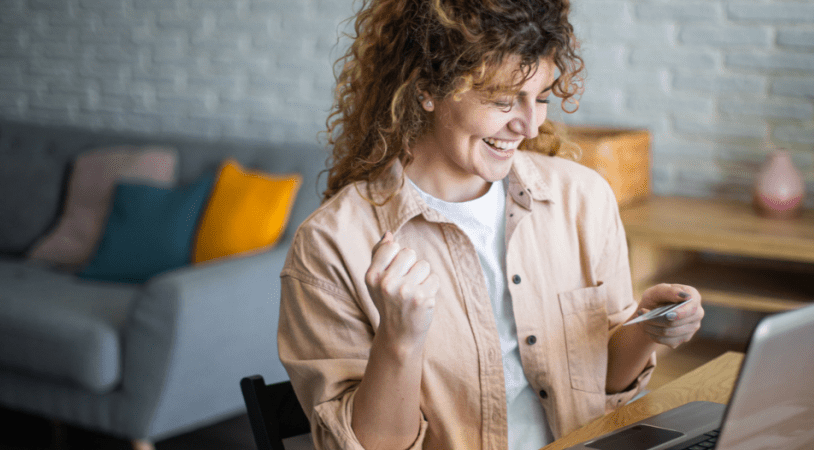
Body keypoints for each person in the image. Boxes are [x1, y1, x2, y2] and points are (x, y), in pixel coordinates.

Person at [277, 0, 705, 449]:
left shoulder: (582, 198)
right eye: (503, 101)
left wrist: (646, 329)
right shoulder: (331, 245)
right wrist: (399, 340)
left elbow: (605, 384)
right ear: (427, 89)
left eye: (541, 98)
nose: (529, 126)